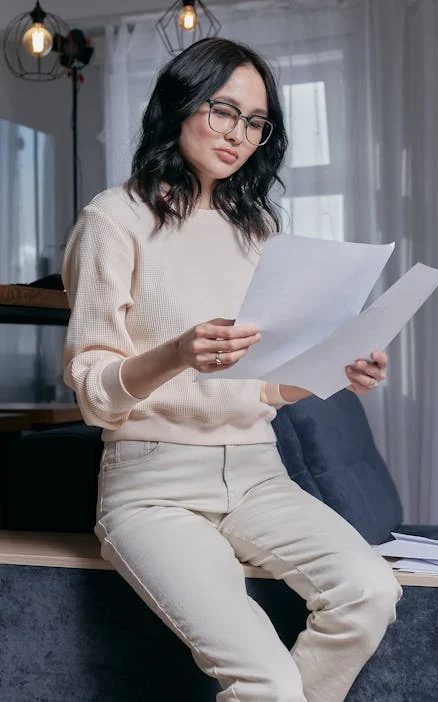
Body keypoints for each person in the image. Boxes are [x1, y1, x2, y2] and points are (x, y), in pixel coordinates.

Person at [62, 37, 402, 702]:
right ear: (179, 105)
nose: (238, 134)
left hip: (257, 475)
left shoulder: (257, 230)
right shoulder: (115, 218)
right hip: (153, 485)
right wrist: (176, 352)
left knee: (368, 591)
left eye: (254, 121)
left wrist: (337, 369)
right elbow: (94, 394)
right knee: (265, 681)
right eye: (223, 111)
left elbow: (266, 386)